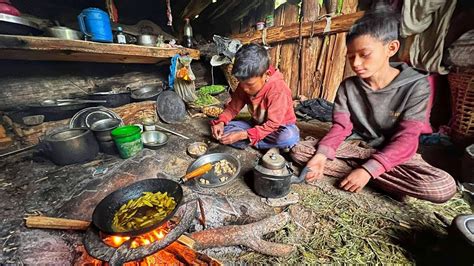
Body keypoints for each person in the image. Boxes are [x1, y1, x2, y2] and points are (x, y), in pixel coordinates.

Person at [290, 8, 456, 203]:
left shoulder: (416, 86)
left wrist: (369, 169)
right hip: (356, 146)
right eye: (351, 56)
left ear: (391, 48)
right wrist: (322, 155)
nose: (357, 63)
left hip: (392, 151)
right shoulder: (348, 87)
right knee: (300, 152)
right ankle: (382, 179)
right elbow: (341, 127)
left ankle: (365, 174)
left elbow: (407, 137)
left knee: (442, 187)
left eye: (364, 54)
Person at [210, 43, 299, 150]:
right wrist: (221, 122)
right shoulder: (244, 84)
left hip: (278, 128)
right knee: (224, 130)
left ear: (267, 75)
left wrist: (243, 135)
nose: (244, 88)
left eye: (250, 84)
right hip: (256, 125)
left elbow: (273, 124)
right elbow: (233, 108)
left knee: (288, 137)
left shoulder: (278, 90)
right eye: (240, 82)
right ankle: (255, 141)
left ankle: (250, 141)